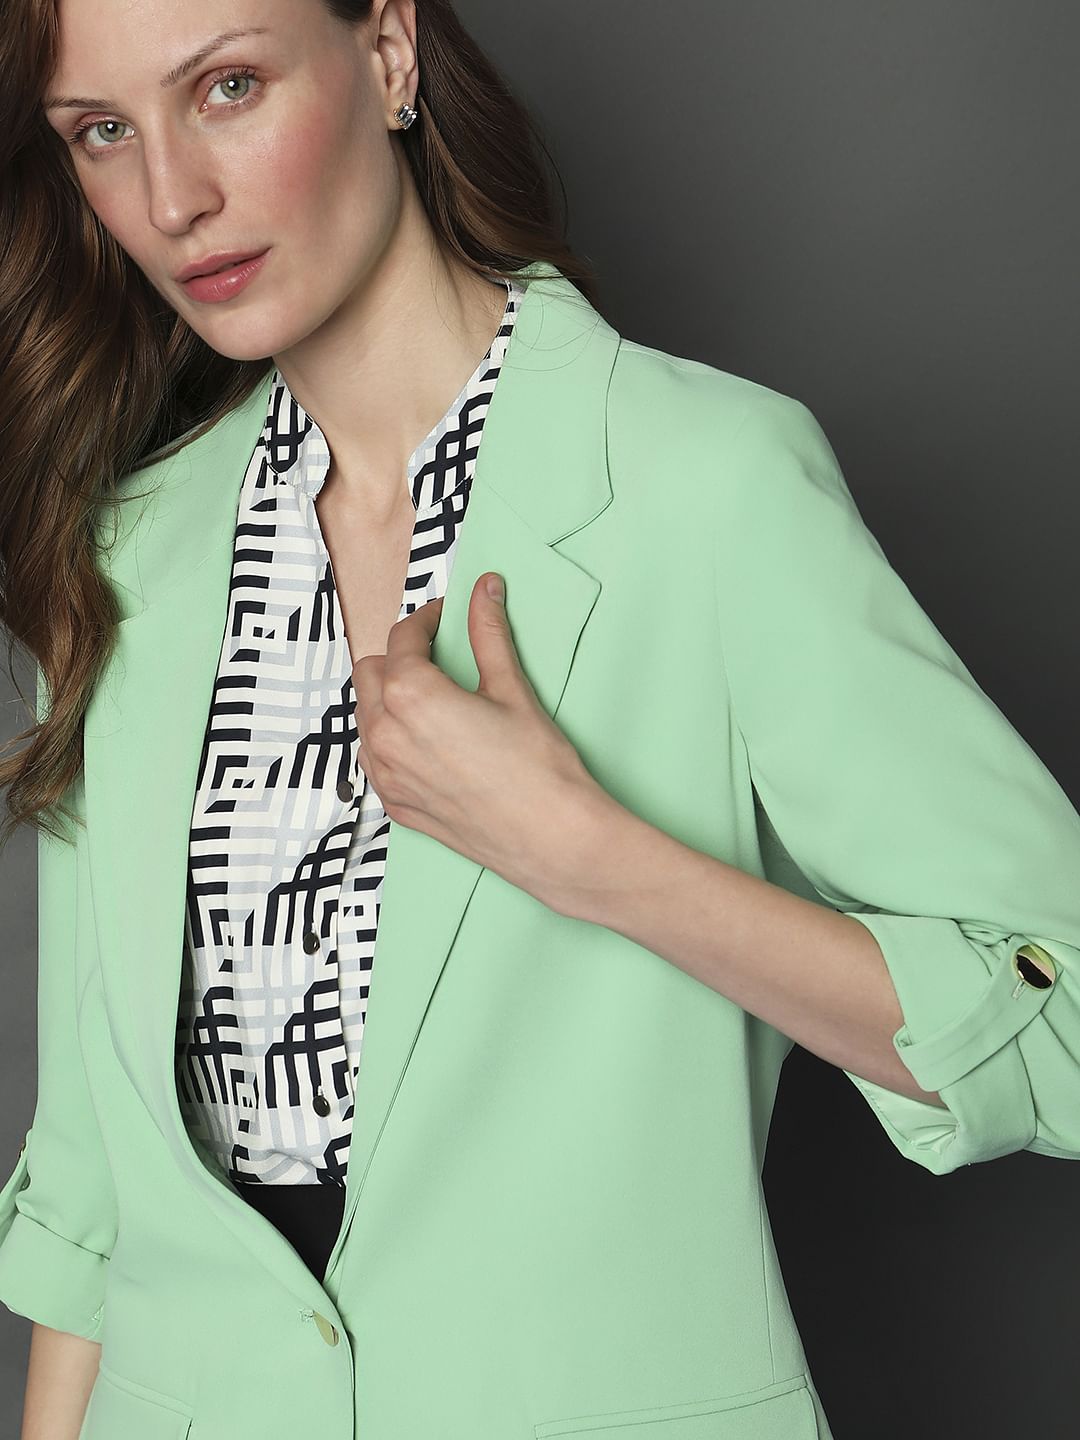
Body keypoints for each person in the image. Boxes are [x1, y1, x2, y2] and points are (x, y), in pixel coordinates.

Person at [2, 1, 1079, 1438]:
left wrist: (596, 858)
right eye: (102, 132)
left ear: (388, 52)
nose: (170, 197)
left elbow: (1063, 1018)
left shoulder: (704, 486)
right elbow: (91, 1193)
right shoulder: (126, 558)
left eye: (230, 88)